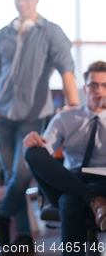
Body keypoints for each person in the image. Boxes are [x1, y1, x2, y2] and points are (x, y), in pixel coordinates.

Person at [0, 0, 80, 249]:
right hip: (2, 116)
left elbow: (66, 69)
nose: (22, 3)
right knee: (10, 176)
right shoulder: (4, 33)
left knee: (22, 174)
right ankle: (24, 235)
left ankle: (2, 215)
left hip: (32, 115)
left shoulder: (51, 32)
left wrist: (73, 107)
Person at [24, 61, 106, 255]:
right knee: (31, 151)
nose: (99, 91)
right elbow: (43, 150)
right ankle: (95, 200)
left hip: (103, 181)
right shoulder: (65, 117)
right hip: (69, 179)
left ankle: (93, 198)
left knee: (69, 201)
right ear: (85, 89)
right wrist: (33, 140)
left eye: (105, 85)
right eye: (94, 85)